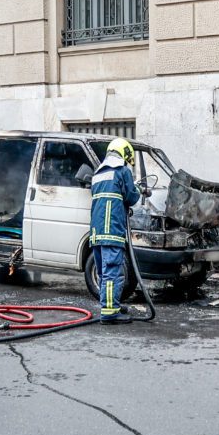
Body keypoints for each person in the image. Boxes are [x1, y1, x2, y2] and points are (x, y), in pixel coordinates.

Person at [89, 138, 141, 324]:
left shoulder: (98, 173)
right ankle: (110, 313)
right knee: (113, 271)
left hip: (96, 231)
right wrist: (139, 191)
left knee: (104, 273)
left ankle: (111, 304)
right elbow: (131, 196)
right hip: (111, 229)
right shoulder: (122, 171)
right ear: (123, 154)